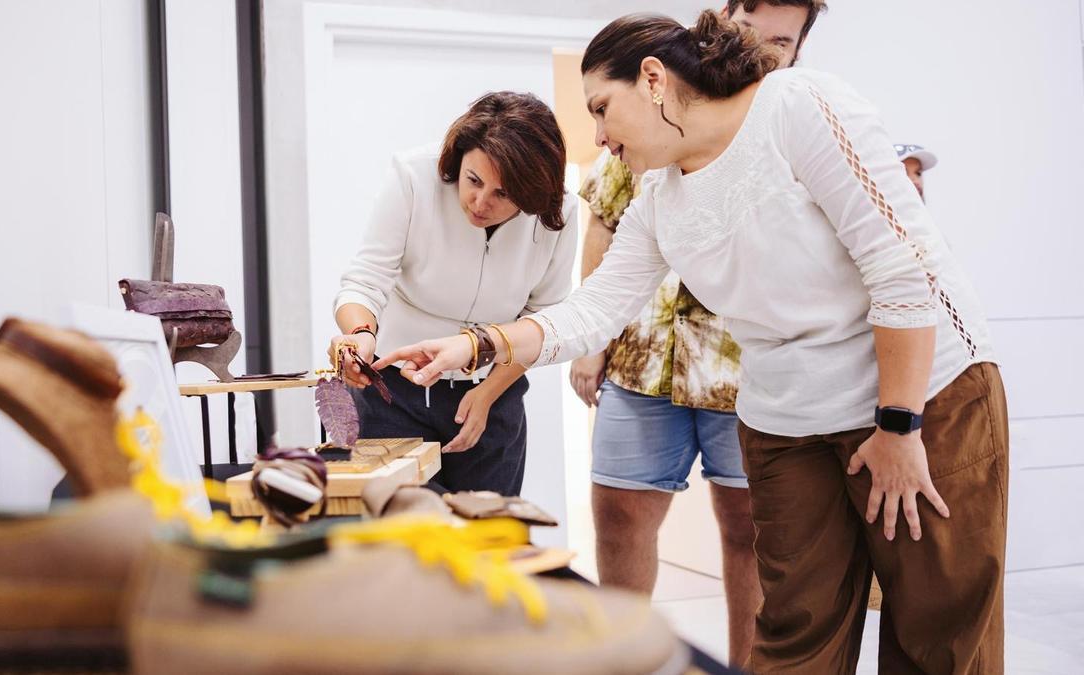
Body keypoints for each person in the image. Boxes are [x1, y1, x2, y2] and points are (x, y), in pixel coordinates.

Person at [376, 12, 1006, 674]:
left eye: (601, 108)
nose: (598, 135)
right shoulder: (658, 200)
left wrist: (901, 424)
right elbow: (594, 309)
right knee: (795, 633)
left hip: (921, 397)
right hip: (789, 422)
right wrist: (476, 347)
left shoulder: (796, 105)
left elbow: (899, 266)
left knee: (935, 628)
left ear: (652, 79)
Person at [570, 1, 825, 666]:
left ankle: (745, 665)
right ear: (718, 24)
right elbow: (602, 239)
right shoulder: (641, 122)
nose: (764, 50)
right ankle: (621, 659)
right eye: (752, 31)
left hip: (747, 373)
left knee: (748, 528)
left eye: (782, 41)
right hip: (641, 358)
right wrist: (590, 345)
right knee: (620, 512)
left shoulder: (792, 127)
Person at [330, 91, 577, 496]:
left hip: (494, 388)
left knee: (489, 539)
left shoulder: (561, 213)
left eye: (504, 194)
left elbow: (544, 320)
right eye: (473, 181)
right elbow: (365, 280)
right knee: (398, 539)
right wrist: (359, 336)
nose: (480, 203)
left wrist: (487, 395)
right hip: (394, 391)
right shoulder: (413, 177)